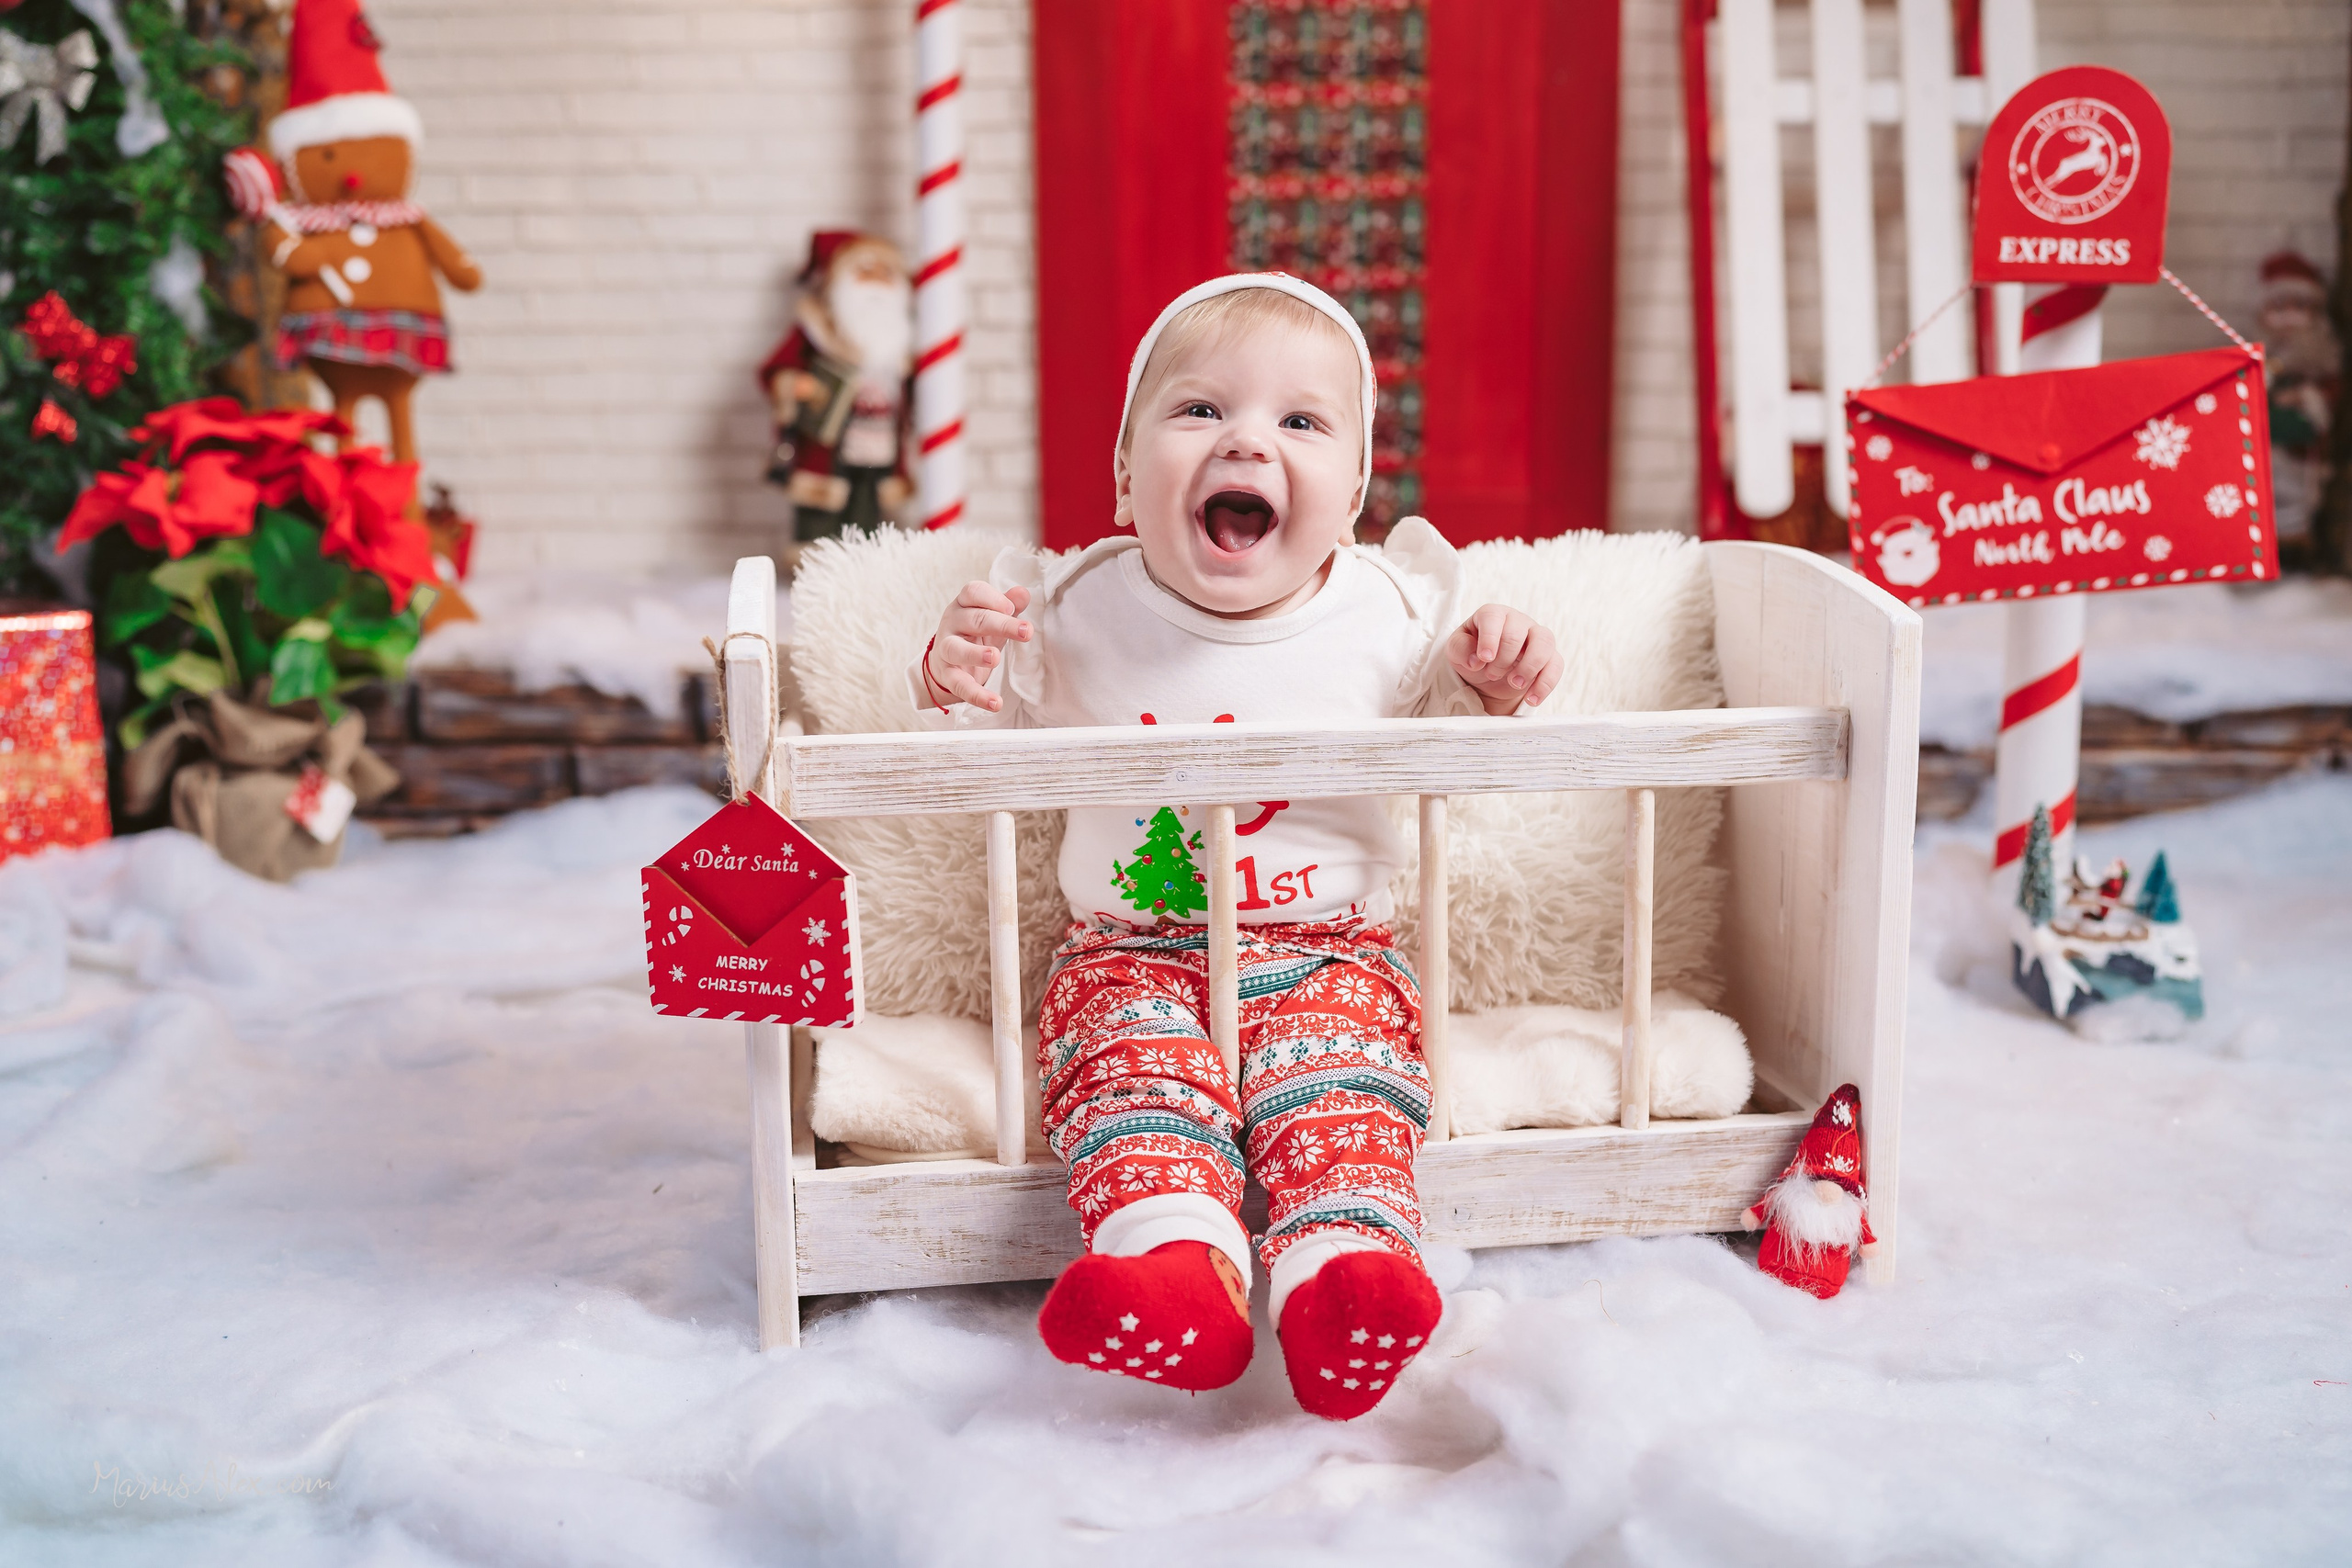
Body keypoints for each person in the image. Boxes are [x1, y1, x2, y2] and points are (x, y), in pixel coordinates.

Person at [912, 274, 1563, 1420]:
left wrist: (1494, 677)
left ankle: (1342, 1283)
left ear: (1353, 490)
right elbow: (968, 735)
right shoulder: (1068, 610)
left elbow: (1453, 735)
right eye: (1200, 411)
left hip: (1332, 954)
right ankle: (1175, 1268)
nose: (1247, 442)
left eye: (1301, 424)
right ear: (1124, 477)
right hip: (1131, 951)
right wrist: (950, 670)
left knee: (1342, 1093)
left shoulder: (1390, 615)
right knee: (1129, 1083)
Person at [758, 232, 917, 543]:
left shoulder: (902, 339)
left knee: (867, 506)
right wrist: (794, 384)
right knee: (820, 512)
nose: (877, 283)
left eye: (887, 274)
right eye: (866, 272)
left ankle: (862, 565)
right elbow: (776, 369)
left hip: (880, 441)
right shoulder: (817, 329)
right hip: (827, 442)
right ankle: (814, 567)